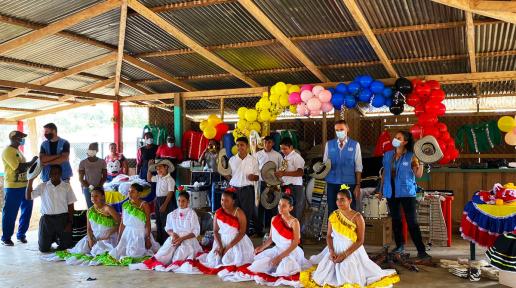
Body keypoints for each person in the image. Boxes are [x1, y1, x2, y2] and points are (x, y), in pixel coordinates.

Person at [300, 187, 399, 287]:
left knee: (348, 276)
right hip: (335, 250)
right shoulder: (333, 215)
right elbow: (329, 236)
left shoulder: (357, 217)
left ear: (350, 200)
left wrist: (344, 255)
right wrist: (331, 251)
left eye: (342, 199)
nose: (339, 202)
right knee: (322, 275)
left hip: (352, 251)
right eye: (337, 199)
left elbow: (360, 241)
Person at [227, 194, 311, 287]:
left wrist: (279, 257)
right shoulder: (274, 219)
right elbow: (271, 238)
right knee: (257, 265)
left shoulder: (294, 222)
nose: (280, 207)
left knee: (284, 271)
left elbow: (295, 244)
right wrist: (261, 248)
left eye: (284, 206)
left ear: (290, 208)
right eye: (279, 204)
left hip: (291, 251)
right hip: (277, 249)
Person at [379, 131, 430, 260]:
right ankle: (400, 246)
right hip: (391, 192)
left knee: (412, 221)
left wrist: (422, 161)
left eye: (398, 138)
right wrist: (381, 190)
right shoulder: (388, 155)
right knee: (396, 221)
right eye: (395, 137)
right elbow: (385, 173)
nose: (395, 139)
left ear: (405, 142)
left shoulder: (412, 156)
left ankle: (421, 250)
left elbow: (418, 175)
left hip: (407, 192)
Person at [43, 188, 120, 265]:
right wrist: (90, 239)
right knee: (80, 249)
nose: (93, 198)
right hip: (95, 236)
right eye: (92, 196)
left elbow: (119, 222)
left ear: (103, 196)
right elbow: (89, 229)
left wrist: (110, 232)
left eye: (96, 196)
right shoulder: (89, 211)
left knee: (100, 252)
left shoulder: (108, 208)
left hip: (108, 237)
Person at [130, 191, 202, 272]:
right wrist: (173, 234)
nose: (180, 203)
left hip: (188, 239)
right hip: (174, 238)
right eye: (179, 201)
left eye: (183, 201)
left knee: (180, 254)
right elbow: (168, 228)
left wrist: (182, 239)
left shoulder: (192, 214)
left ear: (188, 202)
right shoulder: (172, 214)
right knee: (163, 254)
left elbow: (196, 231)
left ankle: (176, 262)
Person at [192, 190, 254, 280]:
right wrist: (220, 246)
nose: (223, 203)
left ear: (233, 201)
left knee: (231, 261)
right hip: (221, 240)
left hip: (236, 241)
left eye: (226, 200)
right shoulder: (218, 212)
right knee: (214, 260)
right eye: (222, 200)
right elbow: (216, 231)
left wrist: (228, 247)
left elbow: (242, 232)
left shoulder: (239, 212)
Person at [26, 165, 77, 253]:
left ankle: (57, 238)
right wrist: (30, 180)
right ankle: (51, 238)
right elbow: (28, 197)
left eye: (57, 173)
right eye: (52, 173)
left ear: (60, 174)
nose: (54, 175)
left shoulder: (66, 187)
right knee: (43, 249)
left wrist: (69, 223)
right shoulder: (43, 186)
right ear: (49, 175)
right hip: (47, 220)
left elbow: (71, 206)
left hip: (63, 219)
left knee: (66, 247)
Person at [106, 183, 159, 265]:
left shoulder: (144, 205)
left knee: (135, 255)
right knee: (118, 253)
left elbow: (148, 223)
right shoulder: (125, 205)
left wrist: (147, 238)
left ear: (139, 193)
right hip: (127, 233)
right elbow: (122, 223)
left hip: (139, 233)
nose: (130, 194)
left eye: (133, 192)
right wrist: (120, 237)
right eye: (129, 191)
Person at [1, 130, 37, 246]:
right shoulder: (8, 151)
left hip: (25, 186)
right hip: (13, 187)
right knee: (10, 213)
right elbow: (18, 168)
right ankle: (6, 237)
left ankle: (21, 235)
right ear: (14, 138)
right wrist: (31, 162)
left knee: (27, 211)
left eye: (23, 137)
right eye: (21, 137)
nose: (22, 139)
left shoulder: (17, 151)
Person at [324, 119, 363, 213]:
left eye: (341, 129)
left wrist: (357, 185)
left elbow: (358, 167)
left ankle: (350, 228)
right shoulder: (329, 144)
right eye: (337, 130)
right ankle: (333, 228)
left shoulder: (355, 145)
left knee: (349, 211)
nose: (339, 132)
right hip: (332, 183)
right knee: (332, 211)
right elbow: (325, 165)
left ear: (347, 129)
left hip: (349, 183)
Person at [225, 137, 259, 235]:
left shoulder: (253, 160)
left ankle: (244, 237)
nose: (239, 147)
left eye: (242, 145)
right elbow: (229, 175)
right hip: (233, 190)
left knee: (246, 215)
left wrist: (253, 177)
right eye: (238, 145)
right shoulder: (232, 160)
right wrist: (226, 175)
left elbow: (258, 176)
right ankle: (234, 236)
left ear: (247, 146)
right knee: (233, 214)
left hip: (247, 190)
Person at [254, 136, 283, 236]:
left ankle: (274, 230)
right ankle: (258, 231)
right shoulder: (257, 155)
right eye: (265, 142)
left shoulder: (278, 155)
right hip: (261, 183)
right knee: (260, 207)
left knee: (274, 206)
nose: (267, 144)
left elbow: (281, 169)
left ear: (273, 143)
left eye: (269, 142)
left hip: (274, 183)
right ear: (263, 143)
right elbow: (255, 168)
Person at [275, 137, 305, 222]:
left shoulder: (296, 157)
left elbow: (300, 172)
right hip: (286, 186)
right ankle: (287, 232)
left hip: (295, 188)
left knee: (294, 211)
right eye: (281, 149)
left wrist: (284, 173)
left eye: (285, 148)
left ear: (291, 147)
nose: (283, 151)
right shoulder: (285, 158)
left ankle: (295, 233)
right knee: (286, 211)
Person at [147, 159, 176, 244]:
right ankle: (160, 241)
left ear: (166, 167)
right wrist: (149, 168)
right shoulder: (158, 177)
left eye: (160, 168)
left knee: (165, 222)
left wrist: (164, 205)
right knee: (158, 221)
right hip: (159, 200)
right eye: (157, 169)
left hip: (167, 201)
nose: (158, 170)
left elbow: (170, 192)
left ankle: (167, 242)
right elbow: (149, 178)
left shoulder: (170, 179)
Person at [79, 142, 107, 208]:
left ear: (97, 150)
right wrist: (90, 187)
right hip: (87, 189)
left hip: (99, 188)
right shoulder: (83, 162)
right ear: (88, 149)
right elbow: (81, 179)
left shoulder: (102, 162)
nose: (92, 150)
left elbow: (105, 176)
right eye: (90, 148)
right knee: (90, 208)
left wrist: (98, 187)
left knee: (101, 207)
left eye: (94, 149)